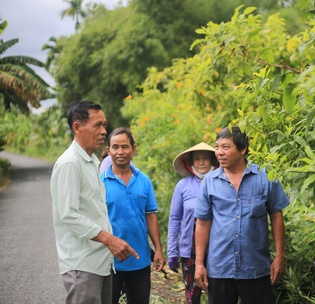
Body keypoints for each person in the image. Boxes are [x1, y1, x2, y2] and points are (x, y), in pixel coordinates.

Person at [50, 101, 139, 304]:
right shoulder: (70, 163)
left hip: (100, 262)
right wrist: (109, 239)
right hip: (82, 265)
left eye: (104, 125)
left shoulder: (91, 162)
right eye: (97, 125)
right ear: (77, 127)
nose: (103, 131)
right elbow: (68, 215)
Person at [194, 126, 290, 304]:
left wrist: (279, 256)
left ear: (243, 148)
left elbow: (276, 216)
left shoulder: (265, 176)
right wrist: (199, 264)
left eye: (226, 147)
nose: (219, 153)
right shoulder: (209, 182)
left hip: (256, 268)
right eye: (217, 147)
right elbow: (203, 223)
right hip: (220, 267)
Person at [100, 127, 165, 304]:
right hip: (109, 262)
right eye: (115, 147)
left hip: (140, 260)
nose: (120, 152)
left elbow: (150, 215)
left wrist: (158, 249)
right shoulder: (100, 182)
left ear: (133, 149)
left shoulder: (144, 180)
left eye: (125, 146)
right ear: (108, 151)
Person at [167, 142, 219, 304]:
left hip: (216, 249)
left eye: (205, 158)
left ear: (213, 161)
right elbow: (175, 219)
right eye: (197, 159)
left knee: (218, 294)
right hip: (189, 250)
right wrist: (172, 251)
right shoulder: (183, 186)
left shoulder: (220, 183)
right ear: (190, 163)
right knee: (192, 295)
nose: (201, 162)